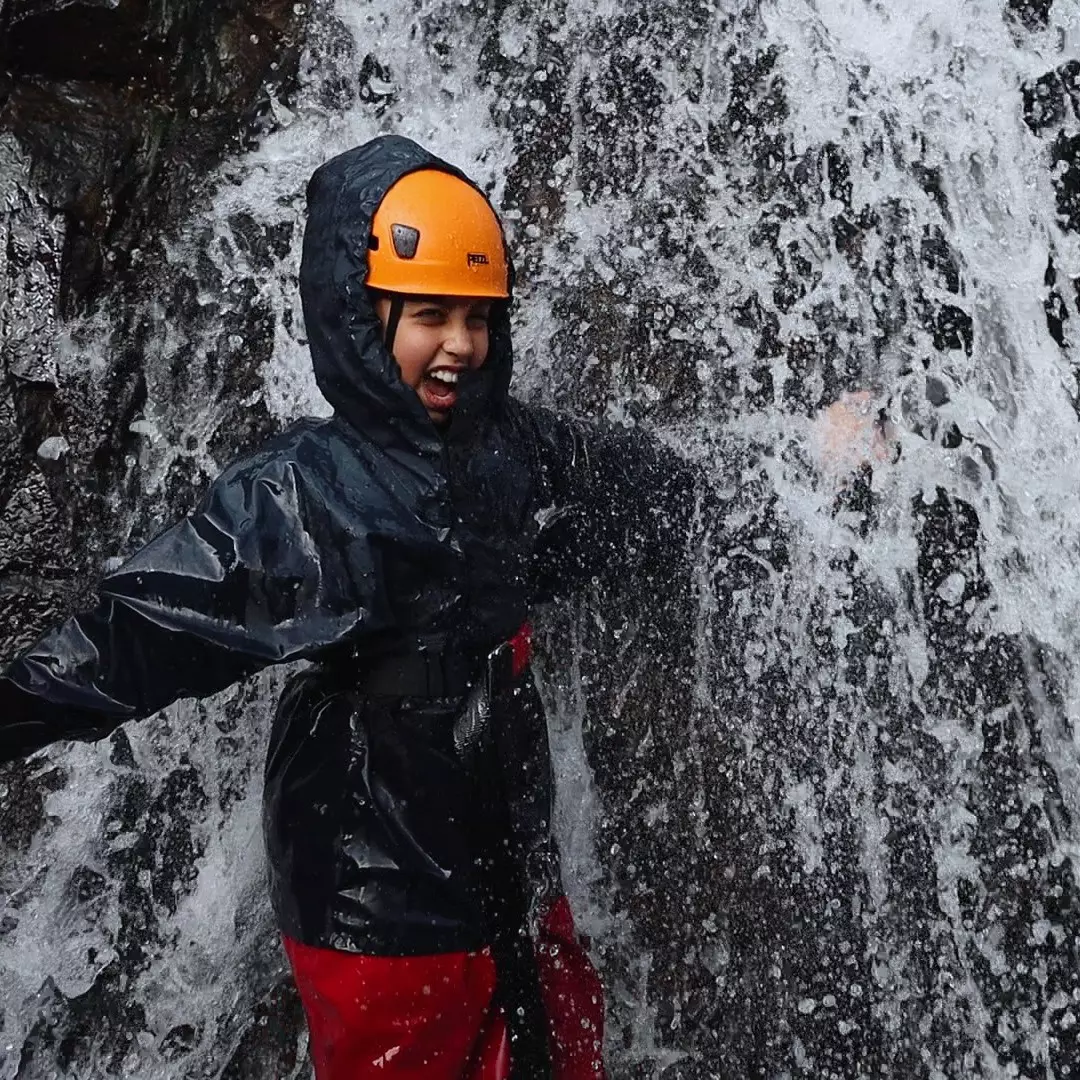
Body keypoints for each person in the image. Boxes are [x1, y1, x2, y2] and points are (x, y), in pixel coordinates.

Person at [0, 135, 709, 1079]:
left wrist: (784, 472)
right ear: (362, 317)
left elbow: (644, 496)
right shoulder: (306, 493)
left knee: (560, 1049)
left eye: (477, 317)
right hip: (377, 892)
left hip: (510, 858)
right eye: (429, 315)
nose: (460, 344)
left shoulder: (512, 446)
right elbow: (140, 633)